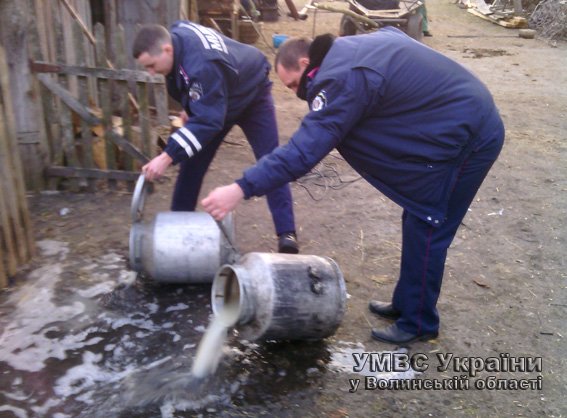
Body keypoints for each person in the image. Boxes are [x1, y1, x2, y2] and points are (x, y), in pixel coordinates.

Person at [201, 28, 505, 344]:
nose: (296, 93)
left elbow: (302, 152)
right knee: (416, 215)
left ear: (305, 61)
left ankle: (419, 323)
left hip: (470, 137)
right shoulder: (343, 53)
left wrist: (240, 188)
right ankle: (407, 303)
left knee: (429, 225)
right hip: (453, 123)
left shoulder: (341, 78)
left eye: (293, 84)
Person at [132, 22, 299, 254]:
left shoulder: (202, 65)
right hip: (218, 97)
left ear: (167, 50)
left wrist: (166, 156)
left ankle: (286, 233)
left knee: (270, 160)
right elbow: (194, 88)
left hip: (252, 93)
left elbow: (208, 120)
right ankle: (178, 230)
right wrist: (191, 105)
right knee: (192, 163)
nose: (150, 72)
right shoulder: (177, 34)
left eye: (151, 65)